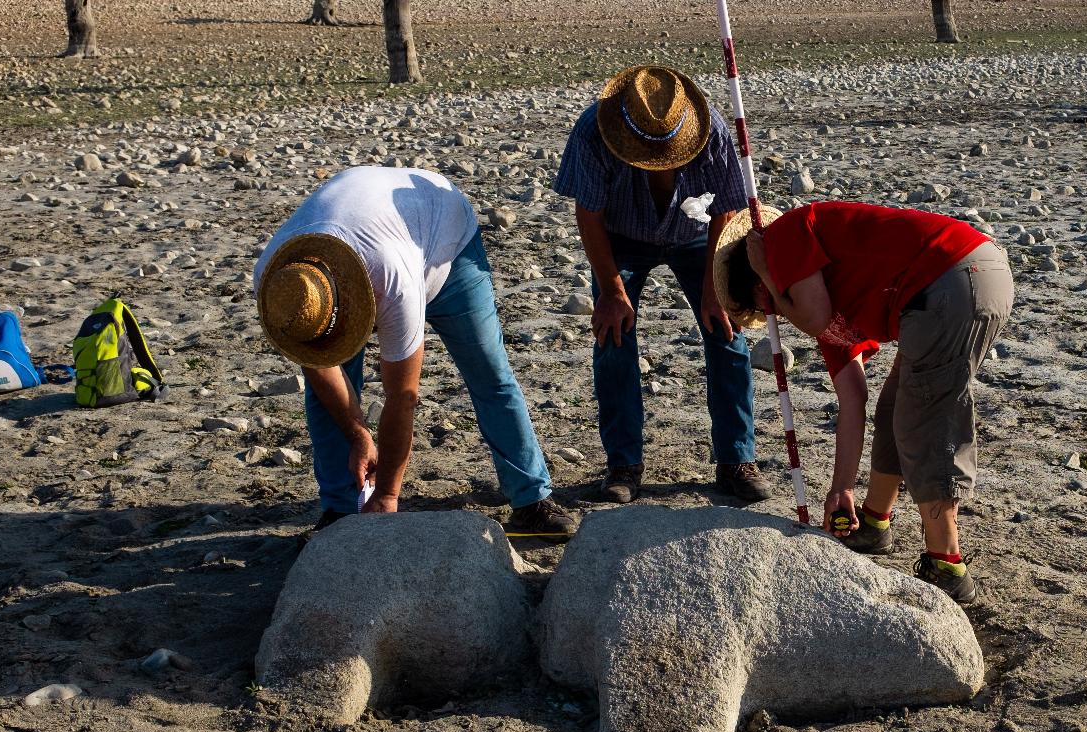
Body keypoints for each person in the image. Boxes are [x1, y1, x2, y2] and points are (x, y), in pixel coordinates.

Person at [712, 201, 1014, 604]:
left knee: (925, 419)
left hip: (952, 279)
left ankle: (947, 564)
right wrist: (842, 489)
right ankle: (874, 521)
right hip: (953, 282)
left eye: (762, 301)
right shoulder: (824, 299)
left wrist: (767, 272)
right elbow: (853, 400)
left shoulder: (781, 239)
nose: (773, 312)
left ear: (759, 268)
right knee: (895, 406)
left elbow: (813, 318)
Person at [254, 166, 577, 539]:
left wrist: (389, 494)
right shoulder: (280, 284)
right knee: (327, 394)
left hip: (445, 238)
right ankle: (340, 512)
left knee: (488, 372)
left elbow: (402, 397)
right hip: (373, 235)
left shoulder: (392, 280)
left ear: (363, 304)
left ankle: (532, 500)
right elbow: (319, 367)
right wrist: (359, 435)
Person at [552, 64, 771, 504]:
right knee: (613, 338)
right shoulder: (594, 132)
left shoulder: (709, 133)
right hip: (620, 239)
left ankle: (736, 459)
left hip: (696, 236)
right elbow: (588, 215)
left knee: (727, 332)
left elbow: (727, 208)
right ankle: (623, 465)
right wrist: (612, 291)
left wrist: (715, 286)